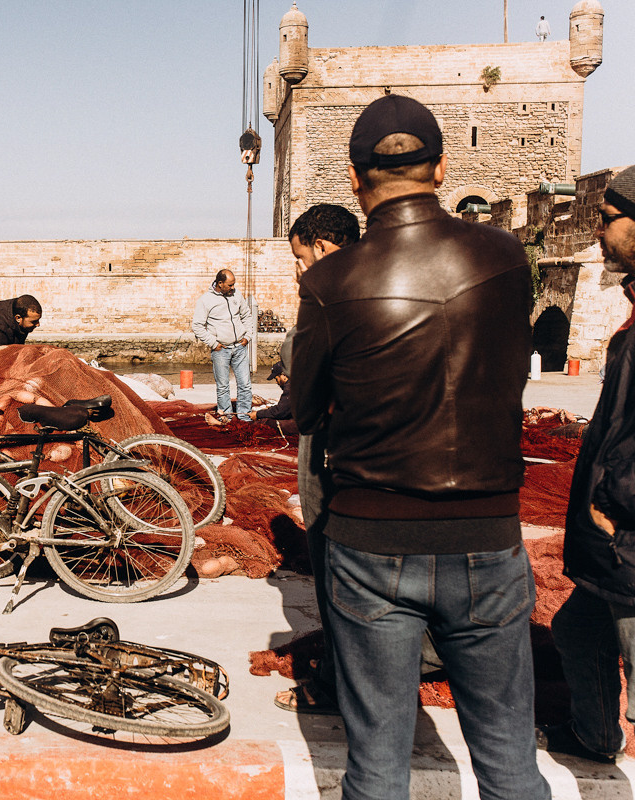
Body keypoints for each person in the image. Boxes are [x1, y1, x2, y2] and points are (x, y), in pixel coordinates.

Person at [292, 95, 549, 799]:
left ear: (353, 178)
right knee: (509, 760)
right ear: (440, 166)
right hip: (488, 532)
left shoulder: (328, 282)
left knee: (377, 766)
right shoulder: (502, 255)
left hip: (371, 538)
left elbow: (306, 409)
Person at [543, 165, 635, 765]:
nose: (598, 231)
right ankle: (596, 736)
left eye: (607, 219)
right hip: (616, 544)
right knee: (578, 628)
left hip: (628, 542)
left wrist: (617, 508)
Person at [274, 202, 359, 716]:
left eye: (301, 258)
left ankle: (333, 686)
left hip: (333, 458)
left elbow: (304, 389)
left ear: (323, 249)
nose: (298, 268)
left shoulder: (328, 297)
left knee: (339, 581)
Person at [191, 269, 254, 422]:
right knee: (223, 386)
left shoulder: (237, 295)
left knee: (245, 384)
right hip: (221, 349)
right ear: (220, 284)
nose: (233, 288)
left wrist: (247, 336)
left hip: (240, 346)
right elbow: (197, 325)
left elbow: (247, 316)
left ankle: (244, 416)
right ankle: (226, 417)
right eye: (230, 285)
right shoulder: (205, 300)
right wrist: (213, 343)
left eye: (234, 285)